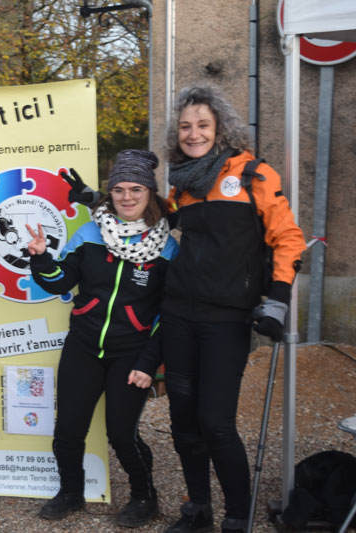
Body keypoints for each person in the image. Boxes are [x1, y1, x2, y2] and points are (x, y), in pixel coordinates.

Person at [160, 84, 305, 533]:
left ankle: (236, 515)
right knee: (183, 421)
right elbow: (159, 226)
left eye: (202, 124)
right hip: (180, 314)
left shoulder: (253, 174)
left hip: (226, 318)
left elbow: (288, 237)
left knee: (215, 422)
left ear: (220, 127)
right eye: (185, 126)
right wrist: (101, 203)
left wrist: (278, 299)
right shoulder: (182, 184)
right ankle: (197, 509)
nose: (193, 133)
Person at [27, 150, 178, 528]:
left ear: (150, 194)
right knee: (68, 429)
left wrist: (150, 362)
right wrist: (42, 258)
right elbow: (59, 281)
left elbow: (170, 315)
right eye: (119, 190)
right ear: (110, 194)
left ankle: (145, 498)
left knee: (122, 433)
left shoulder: (167, 247)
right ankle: (71, 492)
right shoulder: (91, 232)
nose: (127, 197)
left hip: (132, 352)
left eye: (136, 189)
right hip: (84, 344)